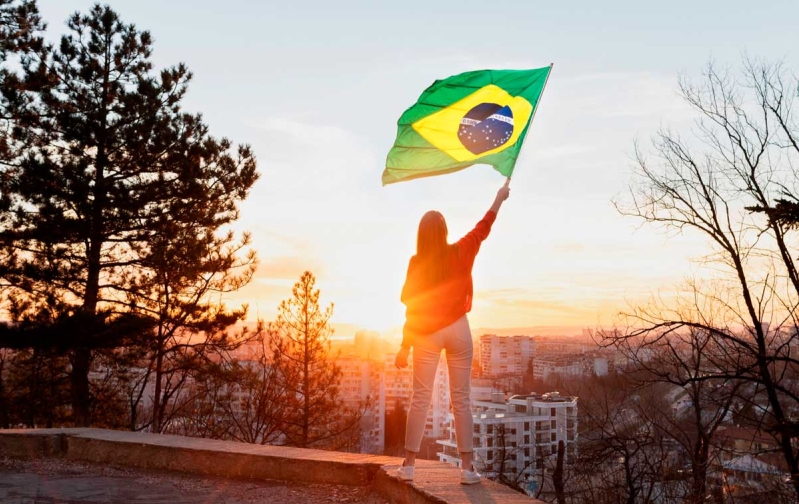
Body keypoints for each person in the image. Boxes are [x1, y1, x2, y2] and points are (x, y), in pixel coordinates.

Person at [394, 180, 511, 485]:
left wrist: (404, 347)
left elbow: (413, 308)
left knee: (420, 397)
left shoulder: (416, 263)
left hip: (426, 333)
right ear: (444, 232)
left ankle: (408, 465)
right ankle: (468, 470)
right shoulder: (461, 250)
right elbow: (483, 227)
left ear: (421, 236)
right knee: (462, 400)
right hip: (458, 330)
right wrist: (499, 197)